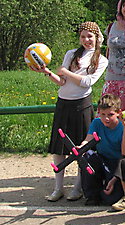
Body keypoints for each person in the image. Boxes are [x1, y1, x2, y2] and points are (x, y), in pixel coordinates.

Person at [31, 22, 108, 202]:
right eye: (83, 36)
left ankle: (77, 187)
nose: (86, 40)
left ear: (97, 38)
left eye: (90, 36)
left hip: (82, 106)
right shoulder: (71, 54)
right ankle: (58, 188)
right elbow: (62, 82)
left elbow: (87, 82)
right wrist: (48, 72)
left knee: (81, 148)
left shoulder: (101, 59)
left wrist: (66, 71)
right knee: (59, 148)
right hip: (63, 104)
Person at [80, 94, 125, 206]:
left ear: (119, 112)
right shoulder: (96, 123)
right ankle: (92, 195)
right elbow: (88, 140)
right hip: (102, 159)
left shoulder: (123, 127)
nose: (106, 118)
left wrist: (115, 177)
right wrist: (81, 147)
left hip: (118, 163)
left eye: (110, 115)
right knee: (88, 156)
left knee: (110, 199)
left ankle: (111, 188)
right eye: (103, 114)